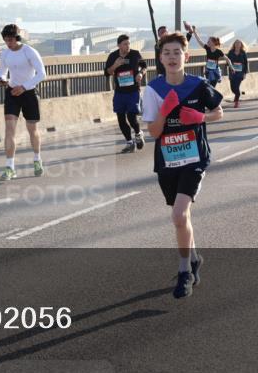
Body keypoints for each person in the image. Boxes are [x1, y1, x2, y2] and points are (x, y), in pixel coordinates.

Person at [142, 31, 224, 299]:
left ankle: (184, 271)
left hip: (194, 159)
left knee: (178, 215)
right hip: (168, 160)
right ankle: (195, 257)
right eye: (167, 53)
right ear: (160, 59)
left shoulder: (198, 85)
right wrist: (165, 112)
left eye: (177, 52)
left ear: (186, 56)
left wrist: (200, 116)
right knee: (182, 219)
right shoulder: (154, 90)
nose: (172, 57)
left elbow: (218, 112)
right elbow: (154, 132)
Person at [0, 24, 47, 180]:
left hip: (29, 93)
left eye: (11, 40)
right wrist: (2, 79)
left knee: (32, 130)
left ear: (17, 38)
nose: (8, 43)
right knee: (9, 130)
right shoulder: (5, 53)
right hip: (12, 93)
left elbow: (42, 74)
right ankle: (10, 167)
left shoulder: (29, 52)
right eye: (6, 40)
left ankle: (37, 159)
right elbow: (2, 71)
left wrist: (24, 87)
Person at [104, 34, 147, 152]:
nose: (128, 46)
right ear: (119, 45)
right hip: (120, 92)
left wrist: (140, 74)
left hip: (133, 90)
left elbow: (144, 66)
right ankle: (129, 142)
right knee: (121, 118)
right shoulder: (113, 56)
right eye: (125, 44)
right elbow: (107, 72)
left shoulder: (135, 54)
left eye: (129, 43)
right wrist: (116, 65)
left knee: (131, 117)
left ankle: (138, 134)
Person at [226, 39, 249, 108]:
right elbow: (227, 61)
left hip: (240, 72)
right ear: (234, 44)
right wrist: (228, 67)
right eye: (236, 43)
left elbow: (246, 63)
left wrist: (245, 73)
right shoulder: (231, 52)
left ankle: (236, 101)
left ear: (241, 45)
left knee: (236, 86)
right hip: (232, 72)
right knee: (232, 88)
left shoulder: (243, 52)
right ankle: (237, 95)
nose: (237, 44)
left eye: (239, 43)